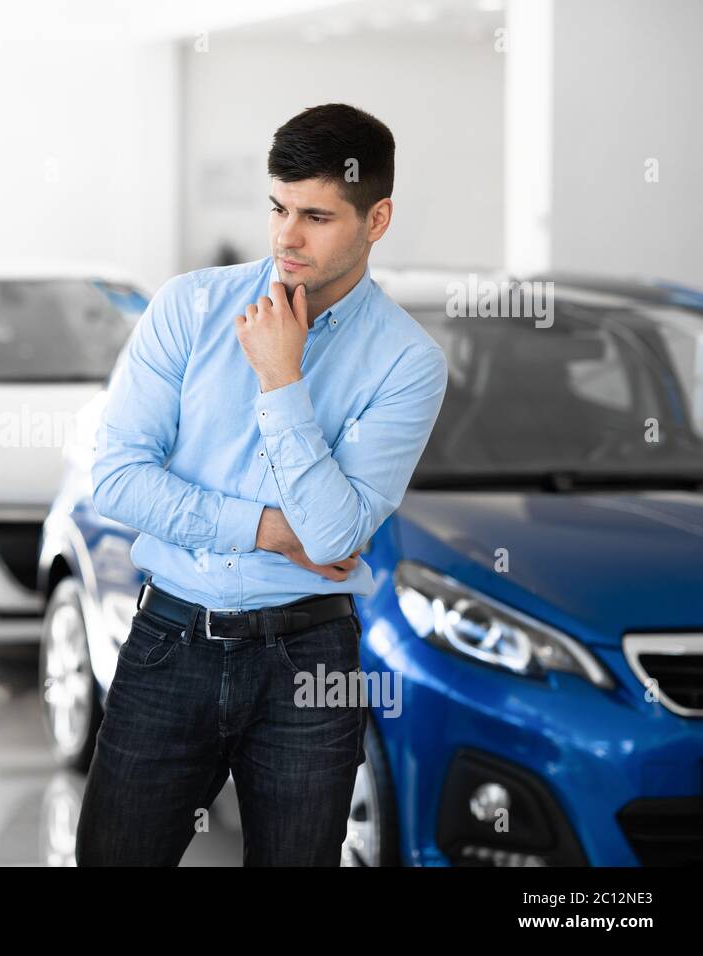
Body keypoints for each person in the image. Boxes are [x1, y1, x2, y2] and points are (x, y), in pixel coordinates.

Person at [75, 103, 449, 866]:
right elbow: (116, 480)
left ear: (376, 219)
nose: (286, 236)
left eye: (316, 215)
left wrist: (282, 377)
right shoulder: (189, 307)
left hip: (310, 660)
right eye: (278, 207)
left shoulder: (408, 364)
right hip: (168, 642)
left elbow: (338, 538)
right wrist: (273, 531)